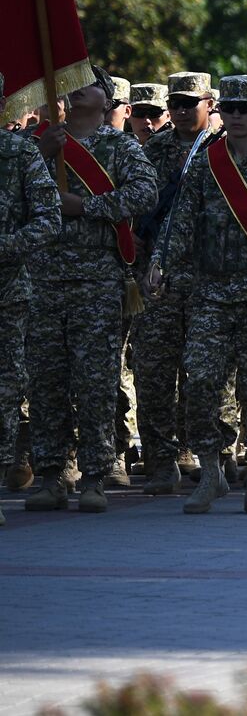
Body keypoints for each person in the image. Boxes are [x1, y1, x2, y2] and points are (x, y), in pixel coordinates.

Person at [148, 75, 247, 514]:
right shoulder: (206, 163)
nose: (237, 116)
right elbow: (180, 222)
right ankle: (212, 469)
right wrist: (160, 264)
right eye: (231, 108)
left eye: (246, 108)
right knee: (200, 380)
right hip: (211, 293)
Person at [27, 67, 157, 512]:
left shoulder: (118, 146)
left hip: (97, 281)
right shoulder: (39, 144)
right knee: (46, 381)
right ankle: (52, 474)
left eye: (91, 81)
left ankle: (94, 477)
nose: (79, 86)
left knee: (95, 382)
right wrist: (40, 154)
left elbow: (145, 194)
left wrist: (86, 207)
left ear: (106, 100)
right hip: (43, 278)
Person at [131, 71, 221, 494]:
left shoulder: (222, 150)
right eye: (177, 104)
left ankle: (204, 454)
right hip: (159, 277)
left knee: (205, 374)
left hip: (208, 278)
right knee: (153, 371)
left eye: (191, 103)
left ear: (209, 104)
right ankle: (162, 460)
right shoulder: (153, 149)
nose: (182, 111)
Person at [0, 72, 62, 521]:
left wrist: (4, 247)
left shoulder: (19, 152)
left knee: (5, 390)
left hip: (6, 291)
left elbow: (48, 219)